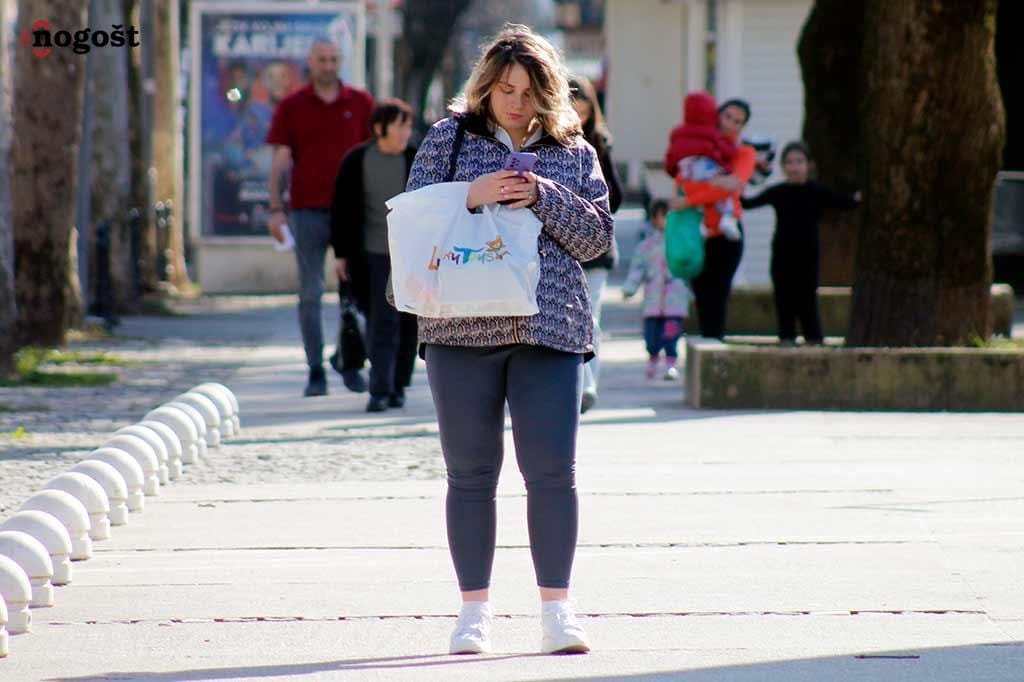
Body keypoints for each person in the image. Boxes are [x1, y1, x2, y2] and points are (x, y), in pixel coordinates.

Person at [405, 24, 613, 655]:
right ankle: (473, 613)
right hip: (459, 327)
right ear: (486, 89)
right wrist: (472, 195)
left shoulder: (574, 150)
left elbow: (597, 239)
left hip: (549, 327)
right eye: (505, 90)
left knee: (552, 472)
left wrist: (543, 196)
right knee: (470, 474)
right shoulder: (448, 139)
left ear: (548, 91)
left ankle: (557, 611)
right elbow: (411, 220)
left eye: (528, 92)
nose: (517, 104)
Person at [265, 37, 375, 397]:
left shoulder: (360, 102)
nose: (328, 65)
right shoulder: (292, 105)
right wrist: (275, 209)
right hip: (306, 210)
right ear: (310, 62)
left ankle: (349, 360)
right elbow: (281, 159)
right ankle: (315, 369)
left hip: (352, 212)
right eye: (321, 59)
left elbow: (373, 155)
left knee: (355, 293)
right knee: (310, 292)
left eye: (333, 59)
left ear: (340, 62)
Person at [330, 99, 419, 412]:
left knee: (408, 322)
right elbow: (341, 209)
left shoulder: (415, 158)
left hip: (410, 254)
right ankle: (379, 389)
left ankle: (398, 385)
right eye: (399, 126)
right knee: (382, 321)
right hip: (372, 253)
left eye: (408, 126)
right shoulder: (357, 160)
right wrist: (341, 254)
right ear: (380, 128)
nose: (405, 132)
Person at [741, 142, 860, 345]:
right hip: (782, 256)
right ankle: (786, 340)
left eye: (799, 161)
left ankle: (814, 342)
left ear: (809, 165)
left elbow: (845, 201)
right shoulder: (777, 192)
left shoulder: (817, 191)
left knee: (807, 300)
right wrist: (740, 176)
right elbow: (746, 203)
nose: (794, 167)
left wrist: (859, 196)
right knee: (784, 299)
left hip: (807, 256)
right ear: (782, 166)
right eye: (789, 162)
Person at [671, 99, 756, 339]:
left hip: (727, 236)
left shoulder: (744, 153)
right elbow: (682, 184)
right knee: (700, 293)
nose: (730, 124)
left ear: (742, 127)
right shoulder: (698, 150)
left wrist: (692, 197)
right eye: (727, 116)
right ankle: (706, 346)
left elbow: (732, 186)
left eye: (737, 121)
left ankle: (714, 346)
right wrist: (713, 185)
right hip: (696, 232)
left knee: (718, 294)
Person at [569, 76, 622, 414]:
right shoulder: (548, 142)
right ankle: (574, 382)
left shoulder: (600, 143)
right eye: (571, 102)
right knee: (567, 319)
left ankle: (587, 385)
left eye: (583, 102)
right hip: (562, 247)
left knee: (591, 318)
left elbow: (615, 196)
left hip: (597, 250)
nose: (578, 109)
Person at [622, 200, 692, 380]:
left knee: (671, 333)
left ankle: (671, 363)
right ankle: (653, 358)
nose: (664, 220)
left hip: (674, 298)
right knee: (651, 336)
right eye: (660, 216)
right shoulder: (647, 246)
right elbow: (638, 268)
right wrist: (630, 288)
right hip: (653, 299)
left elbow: (689, 266)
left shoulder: (681, 243)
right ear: (653, 219)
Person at [664, 92, 741, 240]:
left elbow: (670, 160)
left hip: (686, 170)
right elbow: (726, 150)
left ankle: (702, 224)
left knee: (694, 198)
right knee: (725, 194)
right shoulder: (712, 133)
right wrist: (728, 165)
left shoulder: (677, 133)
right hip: (705, 167)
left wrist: (674, 170)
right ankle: (728, 218)